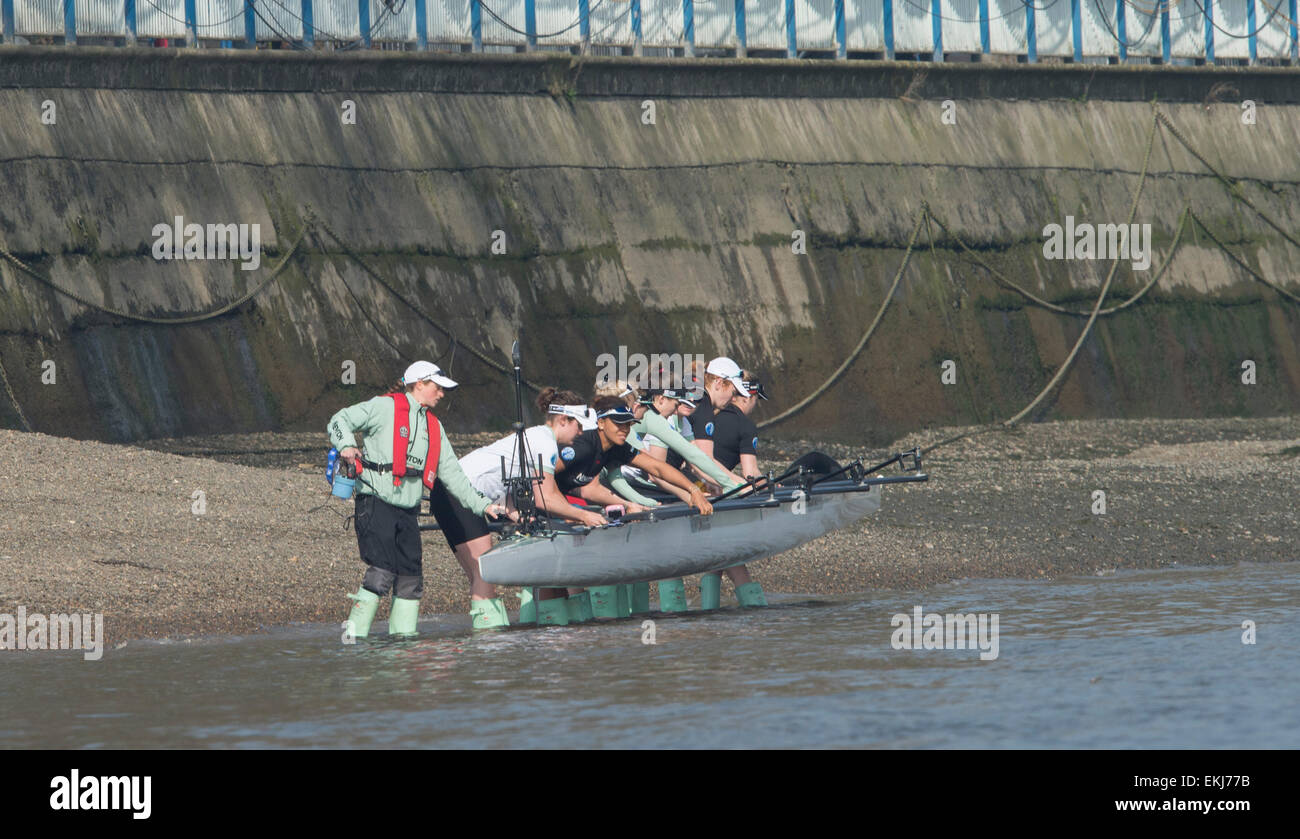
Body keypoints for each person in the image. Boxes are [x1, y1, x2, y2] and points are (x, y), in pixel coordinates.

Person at [329, 361, 513, 639]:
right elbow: (338, 420)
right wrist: (346, 446)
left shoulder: (434, 427)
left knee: (411, 579)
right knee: (381, 572)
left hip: (408, 512)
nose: (441, 394)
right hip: (375, 502)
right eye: (437, 388)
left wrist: (484, 506)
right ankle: (352, 641)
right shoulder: (383, 407)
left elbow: (454, 477)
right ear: (420, 384)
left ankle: (402, 646)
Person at [431, 387, 607, 628]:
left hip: (447, 493)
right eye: (579, 426)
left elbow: (514, 483)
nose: (580, 434)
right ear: (564, 420)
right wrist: (583, 515)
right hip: (458, 493)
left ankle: (489, 641)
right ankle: (490, 644)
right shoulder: (545, 443)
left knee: (479, 575)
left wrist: (515, 512)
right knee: (485, 574)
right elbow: (545, 496)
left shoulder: (536, 438)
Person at [689, 357, 767, 608]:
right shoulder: (740, 424)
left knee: (721, 550)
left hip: (701, 483)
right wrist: (759, 485)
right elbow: (749, 474)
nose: (733, 397)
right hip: (699, 486)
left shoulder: (709, 412)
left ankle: (709, 611)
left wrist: (732, 482)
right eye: (734, 391)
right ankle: (756, 609)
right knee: (727, 546)